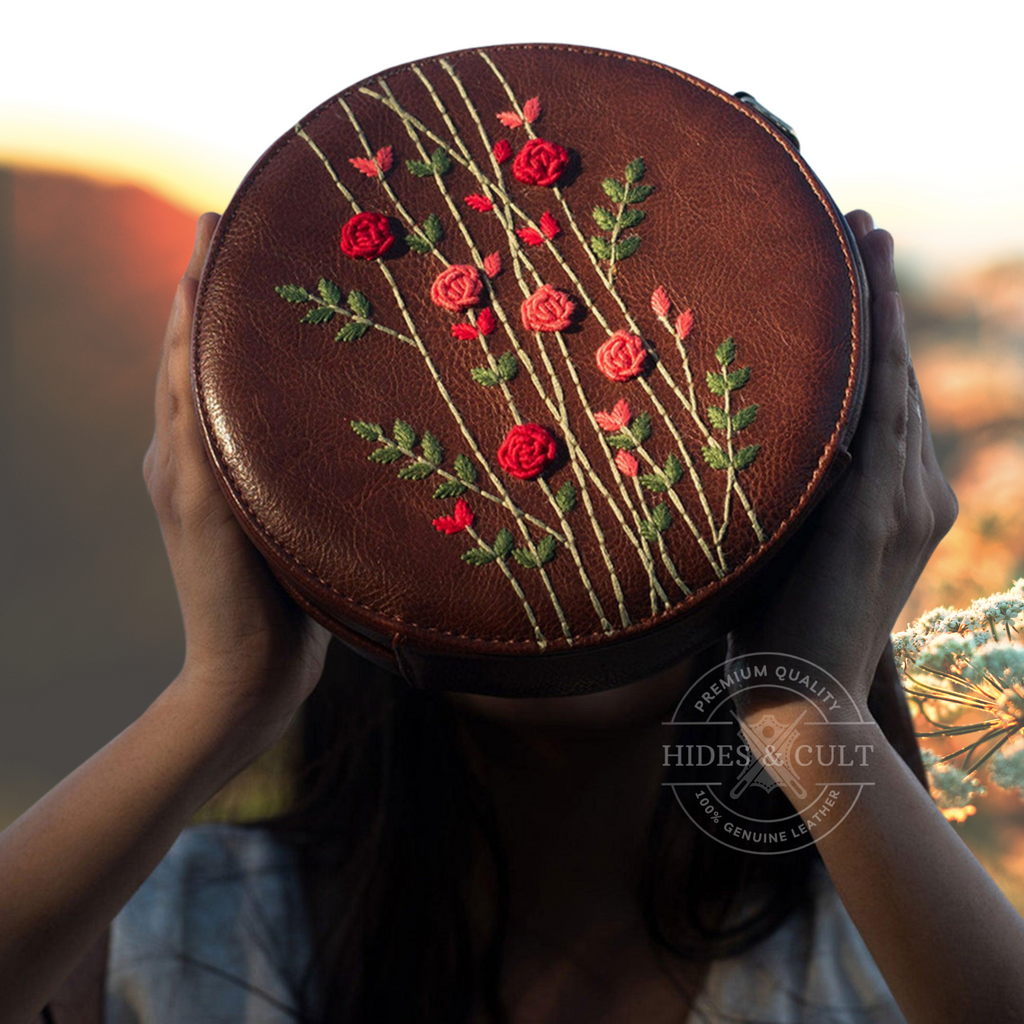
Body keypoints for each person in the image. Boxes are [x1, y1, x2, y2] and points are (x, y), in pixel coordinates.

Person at [4, 209, 1024, 1024]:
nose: (568, 531)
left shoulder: (901, 948)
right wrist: (225, 685)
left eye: (634, 455)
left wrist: (809, 710)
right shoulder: (162, 929)